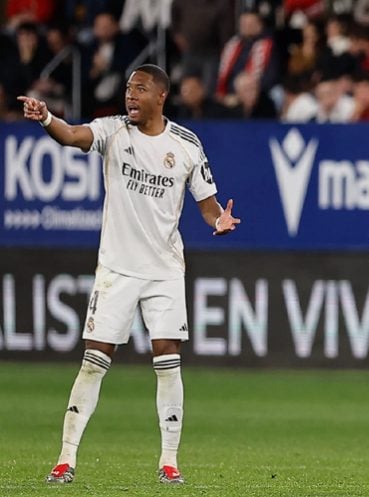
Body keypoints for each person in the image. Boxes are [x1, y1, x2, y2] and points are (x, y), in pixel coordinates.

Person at [17, 64, 241, 485]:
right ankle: (65, 459)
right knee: (94, 361)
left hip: (164, 270)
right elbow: (72, 135)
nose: (131, 96)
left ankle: (170, 462)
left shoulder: (186, 145)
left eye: (140, 89)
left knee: (168, 360)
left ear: (161, 96)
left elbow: (207, 202)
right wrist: (47, 118)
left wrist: (218, 221)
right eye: (128, 89)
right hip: (117, 269)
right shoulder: (113, 131)